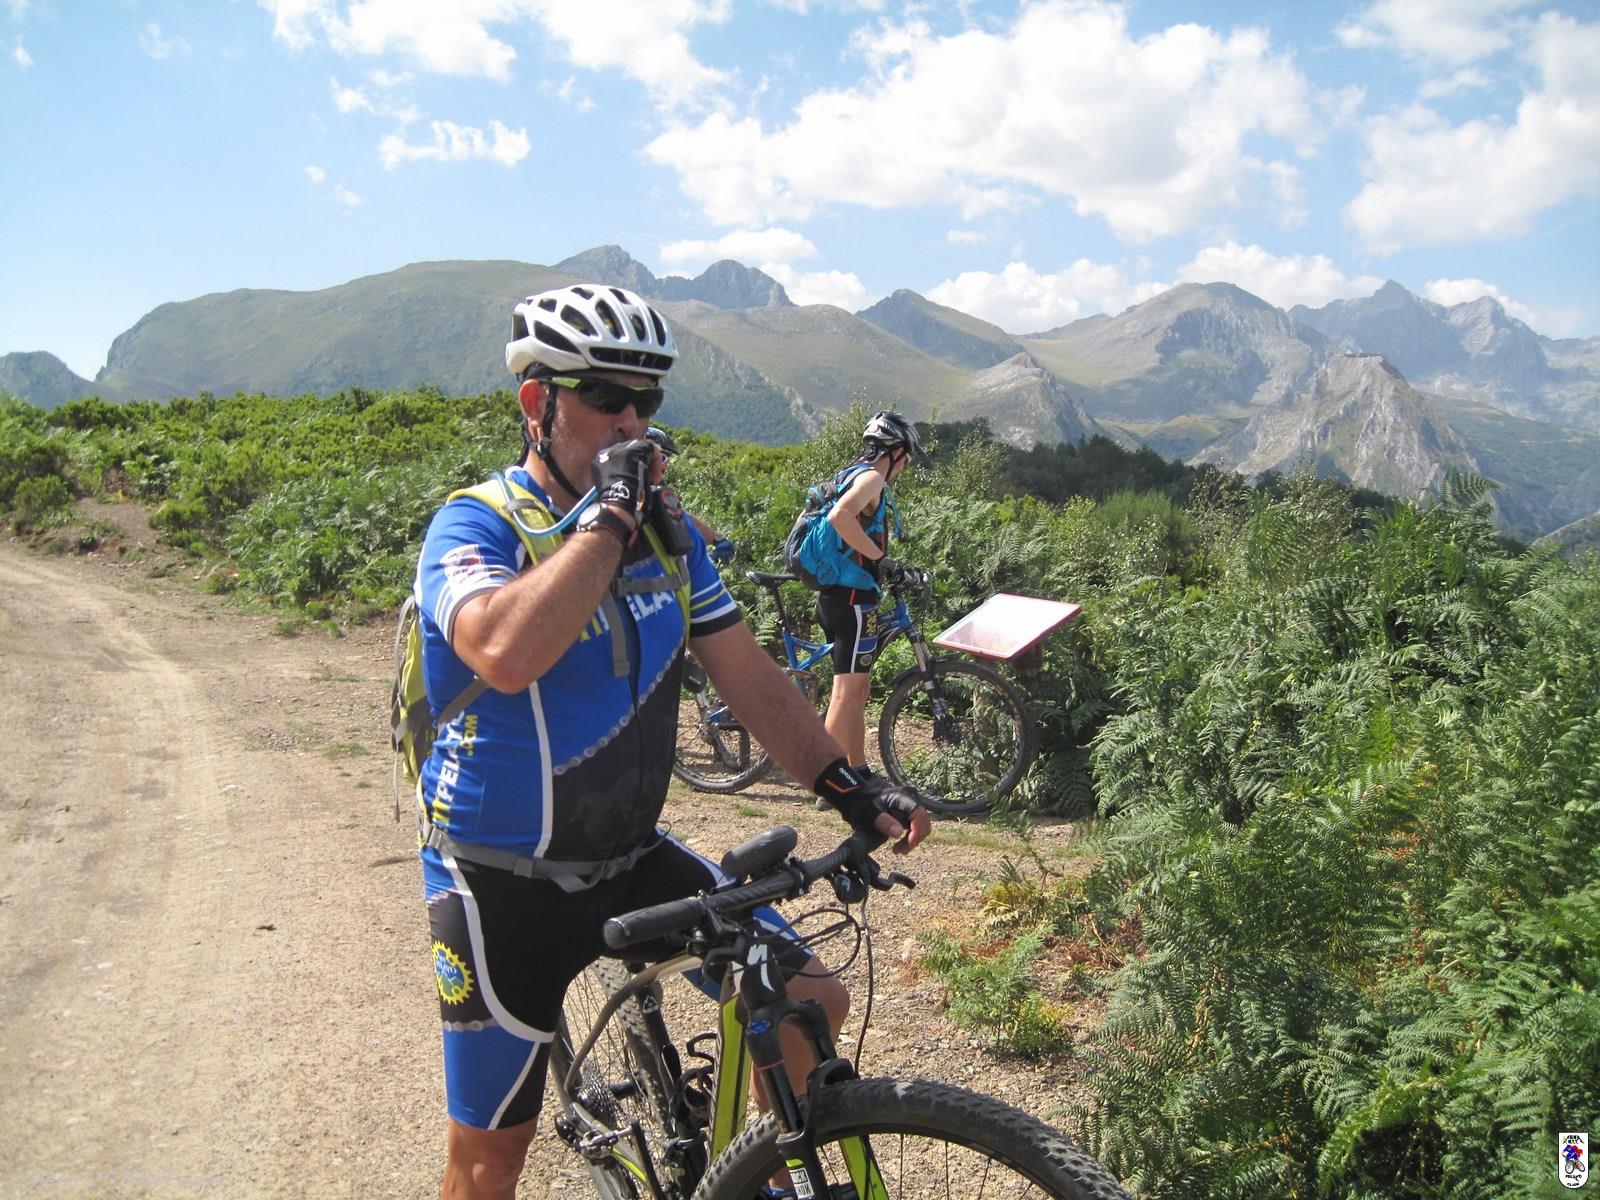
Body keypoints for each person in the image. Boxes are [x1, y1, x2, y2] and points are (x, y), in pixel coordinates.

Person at [411, 283, 929, 1200]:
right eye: (606, 396)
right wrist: (608, 520)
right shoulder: (480, 524)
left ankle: (750, 1178)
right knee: (491, 1159)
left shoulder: (668, 539)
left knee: (809, 1003)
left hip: (630, 855)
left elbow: (748, 675)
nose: (631, 421)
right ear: (537, 403)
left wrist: (848, 786)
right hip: (502, 882)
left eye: (645, 400)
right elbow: (503, 651)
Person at [812, 413, 922, 783]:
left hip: (840, 596)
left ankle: (856, 768)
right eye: (906, 459)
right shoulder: (872, 478)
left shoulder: (852, 473)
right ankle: (827, 778)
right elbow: (839, 517)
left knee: (858, 688)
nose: (905, 467)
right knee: (846, 692)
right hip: (852, 599)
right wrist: (881, 559)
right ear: (896, 452)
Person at [645, 425, 735, 565]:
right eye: (663, 457)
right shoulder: (640, 492)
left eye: (667, 459)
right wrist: (716, 540)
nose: (666, 466)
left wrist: (716, 539)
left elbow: (680, 516)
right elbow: (677, 517)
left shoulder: (656, 488)